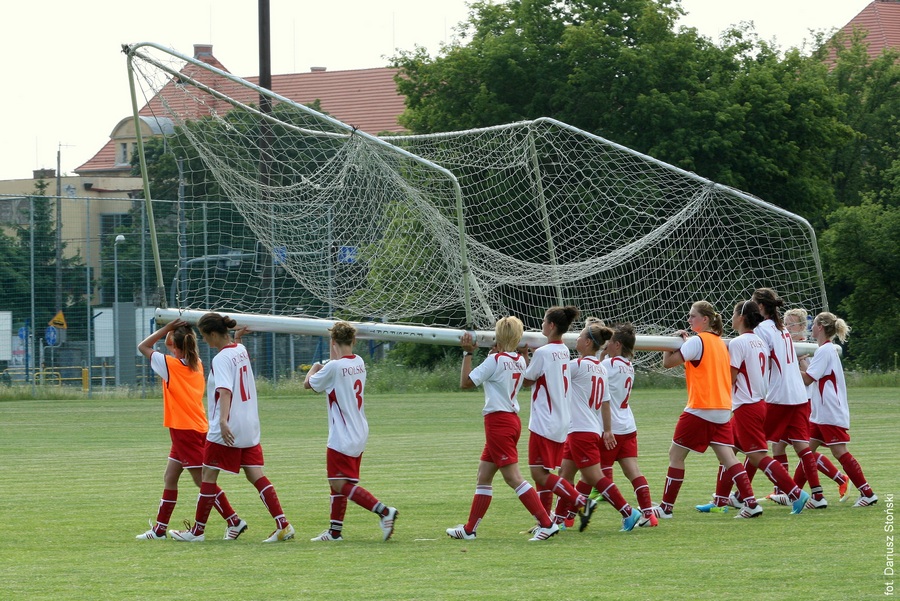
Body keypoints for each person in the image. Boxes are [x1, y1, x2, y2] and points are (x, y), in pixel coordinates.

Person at [169, 313, 294, 543]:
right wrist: (237, 338)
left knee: (207, 475)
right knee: (256, 474)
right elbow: (235, 357)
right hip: (249, 425)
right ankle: (283, 524)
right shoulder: (240, 350)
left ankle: (197, 531)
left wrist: (223, 421)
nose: (205, 341)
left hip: (228, 426)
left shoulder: (221, 359)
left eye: (205, 336)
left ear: (214, 334)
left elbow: (225, 391)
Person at [445, 317, 559, 542]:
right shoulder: (518, 359)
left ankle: (547, 524)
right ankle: (469, 529)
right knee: (483, 475)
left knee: (513, 478)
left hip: (499, 422)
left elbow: (466, 383)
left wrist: (468, 353)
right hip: (510, 420)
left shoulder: (496, 360)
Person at [134, 319, 247, 540]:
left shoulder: (170, 365)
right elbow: (170, 344)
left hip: (185, 429)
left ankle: (234, 520)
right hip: (189, 427)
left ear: (175, 347)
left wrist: (166, 327)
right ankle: (159, 529)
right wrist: (173, 331)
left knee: (203, 480)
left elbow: (143, 347)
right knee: (170, 477)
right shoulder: (197, 363)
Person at [695, 301, 809, 515]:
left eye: (733, 313)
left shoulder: (739, 343)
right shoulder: (759, 341)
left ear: (742, 317)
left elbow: (731, 376)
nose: (730, 317)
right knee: (728, 450)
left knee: (757, 456)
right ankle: (721, 500)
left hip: (747, 406)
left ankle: (794, 493)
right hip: (756, 403)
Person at [653, 301, 762, 519]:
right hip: (722, 407)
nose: (689, 319)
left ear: (705, 320)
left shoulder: (698, 340)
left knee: (675, 455)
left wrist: (670, 345)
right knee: (729, 458)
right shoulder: (720, 343)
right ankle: (751, 503)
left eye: (693, 316)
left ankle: (666, 508)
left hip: (700, 407)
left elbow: (668, 363)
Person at [304, 321, 399, 542]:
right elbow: (338, 364)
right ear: (354, 341)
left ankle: (384, 511)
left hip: (342, 434)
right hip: (359, 429)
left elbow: (308, 384)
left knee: (340, 483)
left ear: (333, 342)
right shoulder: (359, 361)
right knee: (337, 481)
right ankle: (334, 532)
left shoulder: (333, 368)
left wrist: (315, 367)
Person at [552, 318, 644, 532]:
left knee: (595, 478)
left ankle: (628, 512)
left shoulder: (578, 365)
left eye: (581, 335)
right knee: (565, 474)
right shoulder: (600, 368)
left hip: (581, 430)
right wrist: (607, 429)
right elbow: (605, 402)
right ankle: (557, 520)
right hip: (586, 428)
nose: (577, 338)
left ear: (587, 343)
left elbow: (553, 375)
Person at [766, 308, 850, 505]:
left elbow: (810, 377)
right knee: (780, 445)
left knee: (803, 448)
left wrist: (797, 362)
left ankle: (831, 484)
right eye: (785, 323)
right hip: (789, 402)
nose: (787, 326)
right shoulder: (788, 345)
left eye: (792, 323)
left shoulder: (809, 348)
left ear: (803, 326)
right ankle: (784, 491)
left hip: (805, 403)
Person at [751, 288, 826, 509]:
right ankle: (817, 496)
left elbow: (759, 361)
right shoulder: (782, 329)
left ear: (761, 307)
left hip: (779, 395)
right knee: (801, 447)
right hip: (798, 395)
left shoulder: (762, 330)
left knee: (752, 445)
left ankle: (741, 495)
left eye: (755, 304)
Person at [522, 306, 595, 532]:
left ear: (551, 326)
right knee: (544, 472)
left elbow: (526, 380)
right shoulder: (563, 350)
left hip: (544, 420)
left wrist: (524, 356)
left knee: (538, 473)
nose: (542, 325)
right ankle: (544, 521)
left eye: (544, 321)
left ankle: (582, 501)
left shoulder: (543, 353)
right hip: (561, 420)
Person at [801, 312, 877, 507]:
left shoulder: (825, 351)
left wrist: (785, 366)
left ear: (821, 327)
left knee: (839, 451)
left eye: (814, 324)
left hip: (829, 412)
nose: (811, 327)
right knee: (806, 451)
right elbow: (812, 375)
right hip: (820, 413)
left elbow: (808, 378)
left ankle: (867, 493)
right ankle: (797, 494)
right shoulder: (825, 350)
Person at [595, 323, 658, 527]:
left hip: (611, 428)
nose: (607, 344)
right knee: (634, 472)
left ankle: (566, 517)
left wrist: (600, 355)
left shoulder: (608, 365)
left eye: (610, 342)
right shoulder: (628, 366)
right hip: (628, 425)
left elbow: (591, 370)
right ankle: (649, 514)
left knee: (596, 474)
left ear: (617, 345)